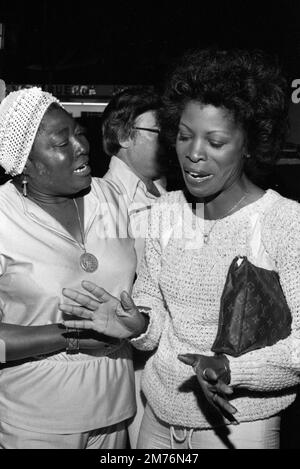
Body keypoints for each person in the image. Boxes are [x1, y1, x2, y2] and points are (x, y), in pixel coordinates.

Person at [60, 48, 300, 449]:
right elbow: (153, 312)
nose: (193, 153)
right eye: (185, 136)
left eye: (216, 140)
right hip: (157, 420)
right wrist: (137, 324)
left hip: (239, 428)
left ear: (249, 144)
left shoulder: (284, 223)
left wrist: (229, 368)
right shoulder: (166, 212)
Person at [0, 87, 137, 449]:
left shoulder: (108, 197)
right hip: (37, 421)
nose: (81, 146)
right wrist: (71, 335)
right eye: (62, 143)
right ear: (25, 163)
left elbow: (137, 290)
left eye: (78, 133)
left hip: (114, 410)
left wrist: (138, 321)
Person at [101, 86, 166, 448]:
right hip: (134, 358)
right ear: (125, 136)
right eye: (160, 131)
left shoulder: (171, 193)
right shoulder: (105, 199)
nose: (171, 141)